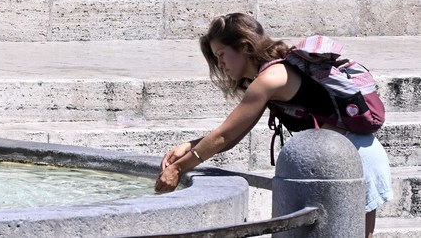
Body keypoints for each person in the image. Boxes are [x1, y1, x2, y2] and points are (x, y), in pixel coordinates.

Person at [154, 13, 392, 238]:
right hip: (348, 152)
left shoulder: (270, 79)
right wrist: (189, 146)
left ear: (245, 46)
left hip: (352, 157)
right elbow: (232, 137)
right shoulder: (272, 73)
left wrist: (177, 169)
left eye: (222, 54)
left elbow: (224, 136)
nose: (221, 64)